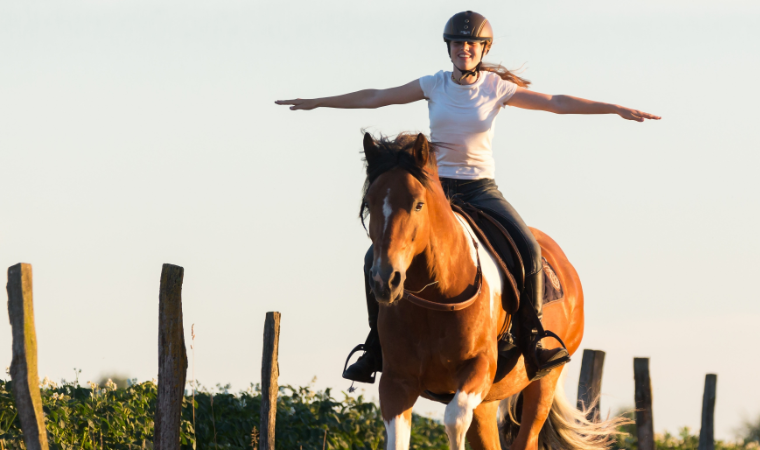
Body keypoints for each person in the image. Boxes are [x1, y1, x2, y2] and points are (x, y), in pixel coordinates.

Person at [276, 11, 659, 383]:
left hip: (480, 189)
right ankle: (375, 345)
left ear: (484, 48)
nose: (464, 49)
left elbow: (557, 102)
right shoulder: (433, 84)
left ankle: (533, 336)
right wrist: (318, 102)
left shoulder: (497, 88)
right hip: (437, 191)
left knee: (527, 248)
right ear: (449, 48)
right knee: (373, 257)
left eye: (472, 44)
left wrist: (615, 109)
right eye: (458, 43)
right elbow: (377, 96)